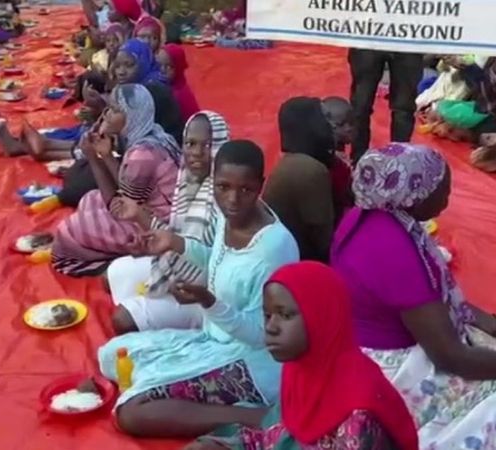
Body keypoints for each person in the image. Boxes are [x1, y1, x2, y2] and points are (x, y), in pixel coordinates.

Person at [98, 140, 299, 438]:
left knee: (132, 411)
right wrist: (174, 243)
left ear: (260, 186)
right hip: (213, 340)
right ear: (214, 182)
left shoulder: (273, 249)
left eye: (245, 190)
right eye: (223, 187)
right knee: (112, 355)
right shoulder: (227, 216)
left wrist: (209, 302)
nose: (232, 199)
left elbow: (263, 335)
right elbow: (217, 259)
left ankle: (255, 416)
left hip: (254, 363)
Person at [331, 143, 496, 449]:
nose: (447, 197)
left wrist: (486, 321)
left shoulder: (368, 217)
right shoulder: (393, 249)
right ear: (415, 193)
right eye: (441, 189)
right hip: (391, 368)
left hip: (362, 347)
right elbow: (449, 355)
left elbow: (435, 299)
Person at [185, 262, 418, 450]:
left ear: (322, 320)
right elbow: (276, 437)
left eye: (285, 315)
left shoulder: (358, 413)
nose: (271, 327)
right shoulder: (301, 369)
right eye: (267, 315)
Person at [108, 111, 228, 334]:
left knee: (123, 319)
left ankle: (179, 331)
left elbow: (218, 267)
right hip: (179, 271)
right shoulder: (189, 182)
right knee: (116, 272)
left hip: (206, 296)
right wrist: (139, 219)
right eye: (191, 143)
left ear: (220, 146)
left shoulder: (226, 194)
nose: (197, 153)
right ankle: (153, 318)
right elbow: (175, 237)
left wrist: (171, 255)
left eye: (207, 145)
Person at [52, 84, 180, 276]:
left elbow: (122, 208)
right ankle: (104, 251)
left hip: (157, 223)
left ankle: (108, 265)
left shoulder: (142, 154)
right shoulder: (154, 133)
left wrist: (94, 158)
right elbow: (126, 187)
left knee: (67, 232)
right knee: (91, 198)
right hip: (148, 208)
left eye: (115, 110)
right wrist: (106, 155)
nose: (107, 115)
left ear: (131, 116)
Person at [262, 97, 337, 262]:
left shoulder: (294, 161)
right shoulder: (311, 170)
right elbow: (323, 238)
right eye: (324, 117)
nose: (330, 124)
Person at [348, 49, 424, 163]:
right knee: (360, 105)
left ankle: (399, 160)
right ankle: (357, 160)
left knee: (404, 109)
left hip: (408, 42)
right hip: (369, 40)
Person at [321, 96, 355, 218]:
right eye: (342, 124)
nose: (349, 128)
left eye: (352, 122)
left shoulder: (336, 156)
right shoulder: (335, 164)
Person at [158, 43, 199, 120]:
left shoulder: (179, 95)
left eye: (169, 66)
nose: (162, 69)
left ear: (179, 68)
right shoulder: (161, 85)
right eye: (159, 65)